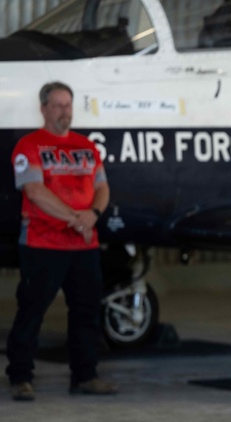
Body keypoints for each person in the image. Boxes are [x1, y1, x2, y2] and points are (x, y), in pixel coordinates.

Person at [6, 81, 117, 401]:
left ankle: (85, 376)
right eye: (57, 105)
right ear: (43, 109)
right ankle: (20, 378)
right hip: (42, 245)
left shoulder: (87, 146)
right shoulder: (29, 146)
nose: (64, 111)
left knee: (85, 313)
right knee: (31, 311)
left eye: (68, 104)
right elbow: (35, 192)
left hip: (85, 246)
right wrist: (77, 218)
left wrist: (92, 215)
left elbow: (103, 187)